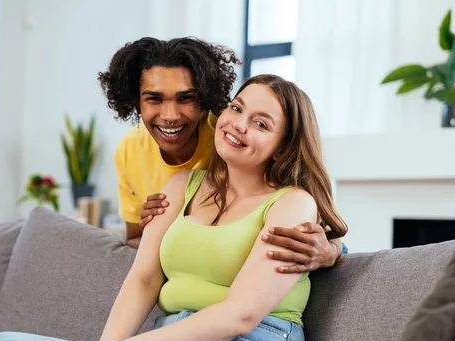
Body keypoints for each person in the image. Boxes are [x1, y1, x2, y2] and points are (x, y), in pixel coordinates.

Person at [0, 74, 348, 341]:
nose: (238, 124)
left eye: (261, 124)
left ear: (283, 147)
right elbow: (144, 278)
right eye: (236, 108)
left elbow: (239, 317)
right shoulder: (181, 185)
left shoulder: (292, 203)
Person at [98, 37, 344, 273]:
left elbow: (317, 230)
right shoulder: (129, 150)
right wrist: (153, 229)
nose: (170, 115)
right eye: (154, 99)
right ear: (135, 101)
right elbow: (134, 240)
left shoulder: (231, 138)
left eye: (186, 99)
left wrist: (332, 251)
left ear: (204, 97)